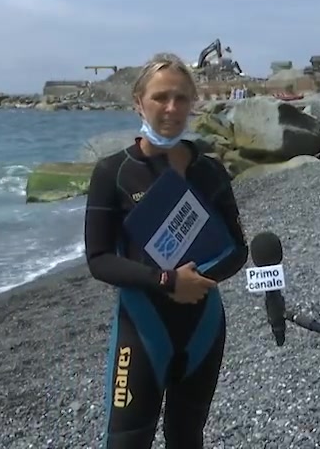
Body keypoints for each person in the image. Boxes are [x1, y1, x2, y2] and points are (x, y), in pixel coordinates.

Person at [83, 54, 249, 449]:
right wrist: (168, 281)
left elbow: (238, 249)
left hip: (203, 325)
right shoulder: (114, 172)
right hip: (142, 327)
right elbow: (99, 259)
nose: (171, 108)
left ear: (193, 102)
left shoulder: (209, 171)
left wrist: (199, 282)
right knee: (126, 441)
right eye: (160, 97)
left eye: (181, 97)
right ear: (138, 102)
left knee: (187, 437)